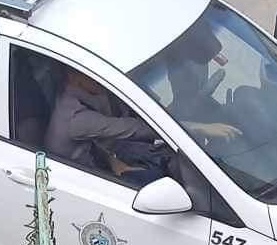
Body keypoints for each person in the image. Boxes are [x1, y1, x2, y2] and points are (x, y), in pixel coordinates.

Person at [44, 68, 239, 186]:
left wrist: (115, 163)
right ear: (74, 78)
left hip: (106, 156)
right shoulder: (76, 118)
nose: (98, 78)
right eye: (89, 74)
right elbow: (132, 128)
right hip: (86, 178)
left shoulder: (85, 92)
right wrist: (196, 128)